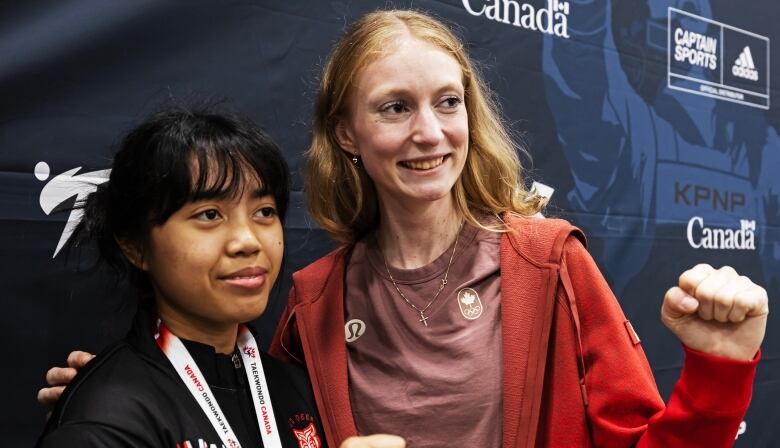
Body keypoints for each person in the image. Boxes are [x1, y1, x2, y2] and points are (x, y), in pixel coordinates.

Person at [41, 9, 768, 448]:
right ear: (347, 134)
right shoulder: (313, 301)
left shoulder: (550, 264)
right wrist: (141, 396)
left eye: (447, 103)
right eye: (395, 108)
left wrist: (719, 372)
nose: (429, 133)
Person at [36, 107, 337, 448]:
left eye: (264, 212)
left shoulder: (296, 389)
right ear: (136, 245)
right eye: (209, 215)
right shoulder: (107, 416)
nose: (249, 241)